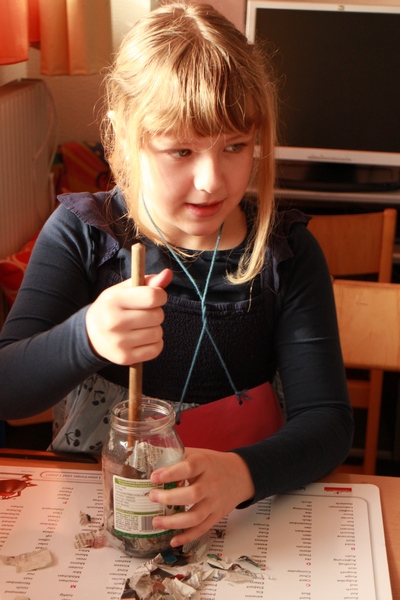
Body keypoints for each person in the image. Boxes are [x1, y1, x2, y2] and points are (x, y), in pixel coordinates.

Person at [0, 2, 353, 548]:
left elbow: (327, 423)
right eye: (181, 150)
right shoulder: (82, 235)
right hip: (95, 522)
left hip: (241, 524)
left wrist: (242, 474)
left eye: (235, 146)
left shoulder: (287, 253)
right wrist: (87, 335)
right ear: (125, 136)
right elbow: (7, 390)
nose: (211, 180)